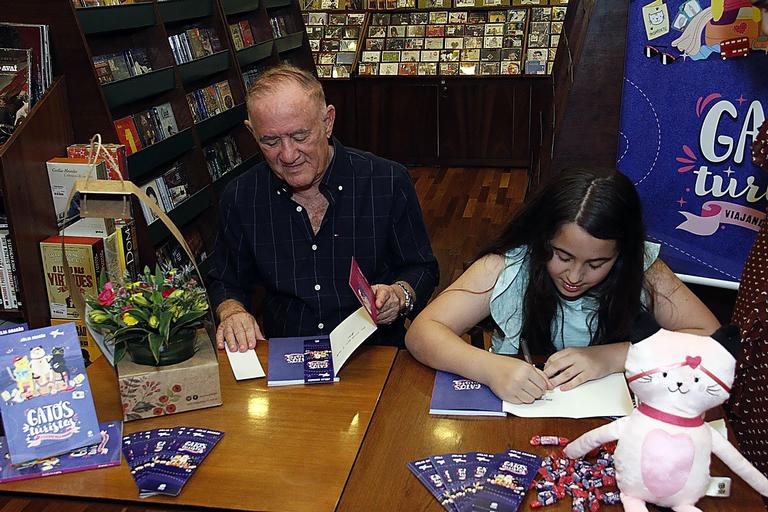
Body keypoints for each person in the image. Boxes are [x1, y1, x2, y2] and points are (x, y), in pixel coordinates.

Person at [405, 167, 720, 404]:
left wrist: (614, 356)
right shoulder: (508, 265)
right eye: (562, 256)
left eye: (596, 264)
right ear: (543, 237)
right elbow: (422, 333)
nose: (574, 276)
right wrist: (490, 368)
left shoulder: (645, 270)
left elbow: (711, 339)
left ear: (622, 254)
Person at [208, 64, 438, 352]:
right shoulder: (241, 196)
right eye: (270, 141)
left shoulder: (387, 181)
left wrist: (400, 295)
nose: (288, 155)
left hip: (374, 354)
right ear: (252, 133)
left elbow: (422, 267)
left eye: (300, 136)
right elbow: (224, 279)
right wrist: (231, 312)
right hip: (287, 356)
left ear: (328, 121)